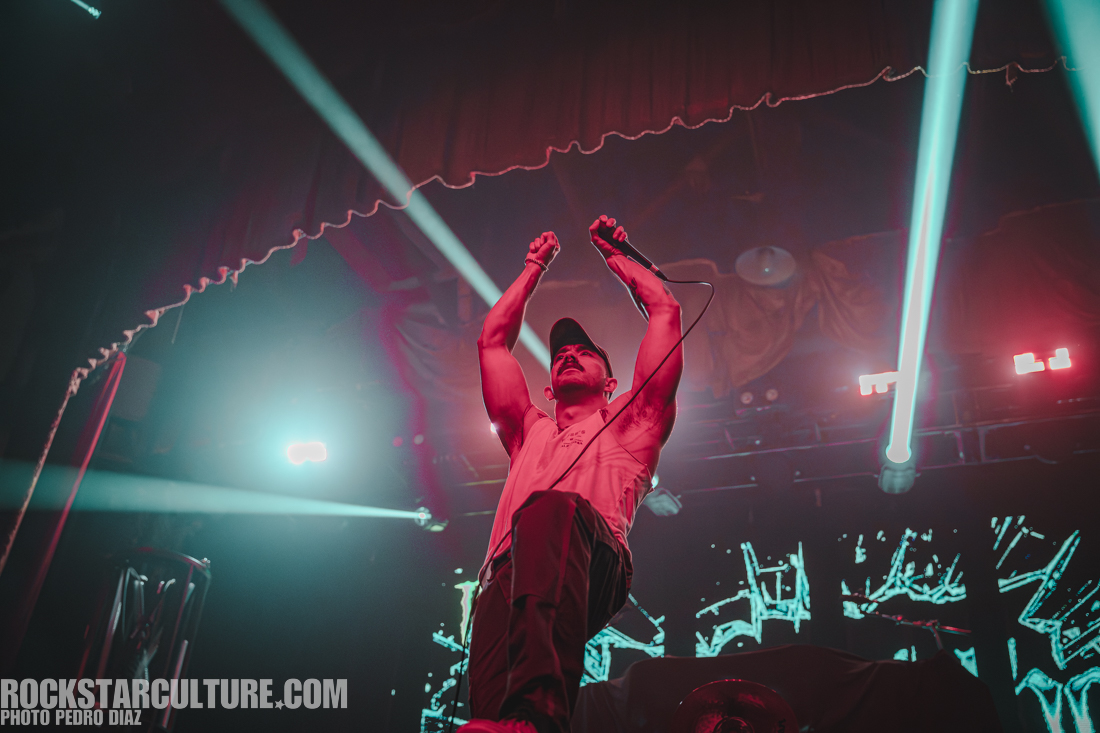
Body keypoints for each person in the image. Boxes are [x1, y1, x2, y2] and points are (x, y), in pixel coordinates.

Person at [458, 216, 684, 733]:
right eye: (560, 354)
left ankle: (539, 714)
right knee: (488, 724)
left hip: (593, 557)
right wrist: (534, 267)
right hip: (505, 578)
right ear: (547, 390)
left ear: (611, 383)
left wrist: (618, 259)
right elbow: (492, 343)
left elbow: (665, 311)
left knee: (550, 510)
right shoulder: (526, 434)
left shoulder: (632, 421)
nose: (568, 355)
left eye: (584, 352)